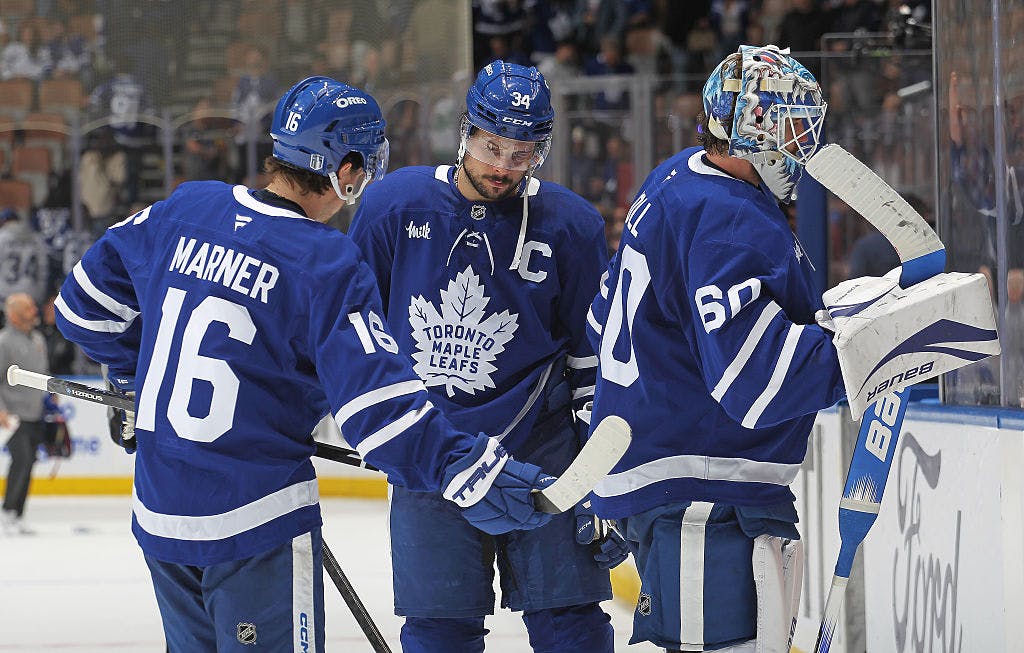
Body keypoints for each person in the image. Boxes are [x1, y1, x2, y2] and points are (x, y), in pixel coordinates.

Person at [53, 75, 557, 652]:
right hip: (255, 520)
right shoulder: (324, 261)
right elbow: (379, 412)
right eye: (366, 165)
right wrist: (466, 467)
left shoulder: (189, 207)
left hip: (160, 514)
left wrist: (133, 379)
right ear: (346, 169)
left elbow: (81, 308)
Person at [349, 60, 628, 653]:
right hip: (433, 447)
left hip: (544, 451)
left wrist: (601, 478)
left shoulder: (572, 224)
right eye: (491, 146)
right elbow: (354, 333)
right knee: (439, 633)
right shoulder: (392, 207)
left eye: (521, 153)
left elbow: (594, 358)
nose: (502, 166)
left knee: (571, 626)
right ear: (466, 132)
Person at [586, 45, 847, 652]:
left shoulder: (678, 176)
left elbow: (603, 320)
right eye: (791, 127)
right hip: (702, 491)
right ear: (753, 127)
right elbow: (753, 384)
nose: (803, 145)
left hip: (674, 476)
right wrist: (863, 351)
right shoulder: (728, 218)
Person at [0, 293, 48, 536]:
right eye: (28, 308)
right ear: (14, 315)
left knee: (29, 462)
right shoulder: (4, 342)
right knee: (21, 459)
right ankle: (8, 510)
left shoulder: (38, 339)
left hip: (35, 413)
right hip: (12, 416)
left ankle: (17, 514)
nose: (34, 311)